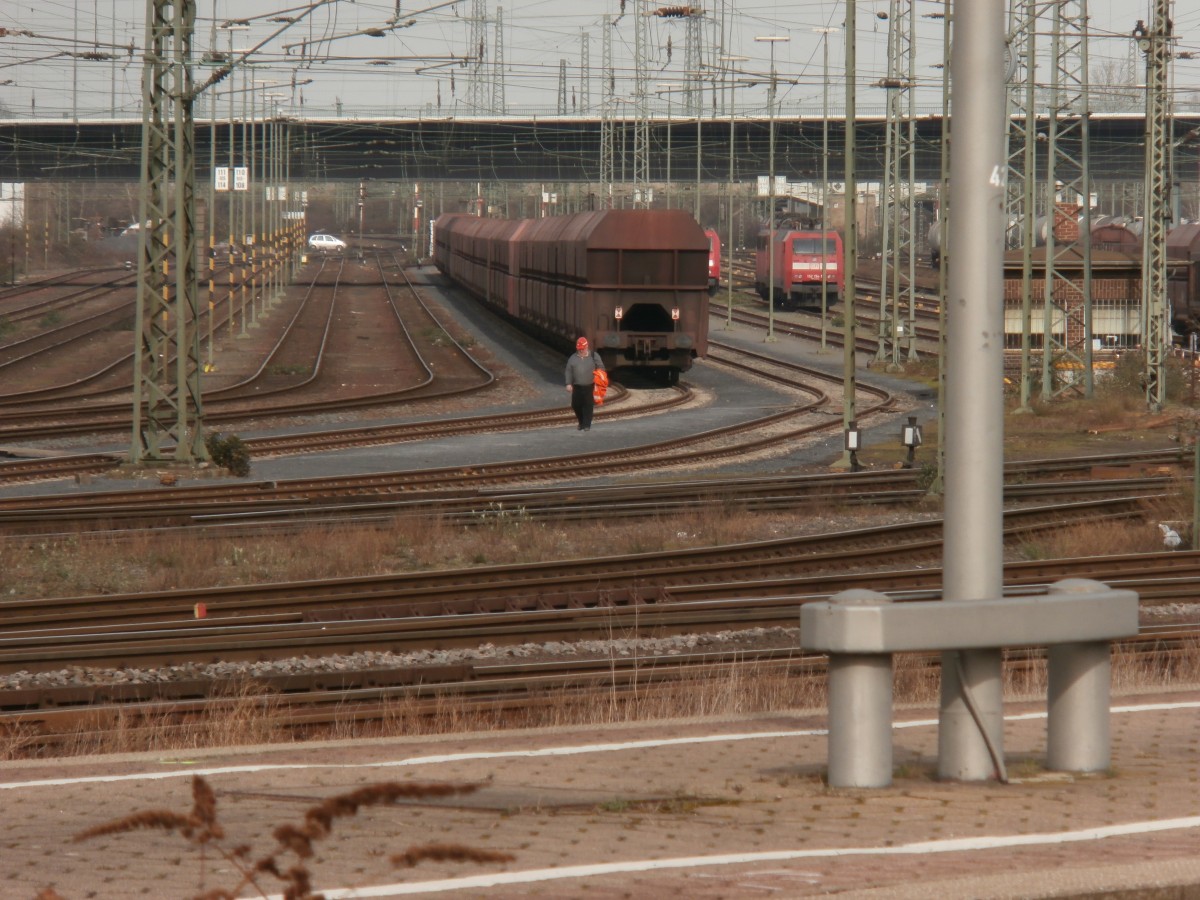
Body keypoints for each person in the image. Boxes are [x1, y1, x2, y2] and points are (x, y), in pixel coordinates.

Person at [564, 336, 605, 431]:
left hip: (590, 386)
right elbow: (568, 371)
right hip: (577, 386)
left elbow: (601, 367)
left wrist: (599, 376)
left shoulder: (594, 356)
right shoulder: (573, 358)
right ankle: (581, 422)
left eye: (582, 349)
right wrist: (568, 383)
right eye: (579, 349)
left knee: (588, 405)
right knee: (575, 405)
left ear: (587, 347)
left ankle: (587, 425)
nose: (581, 351)